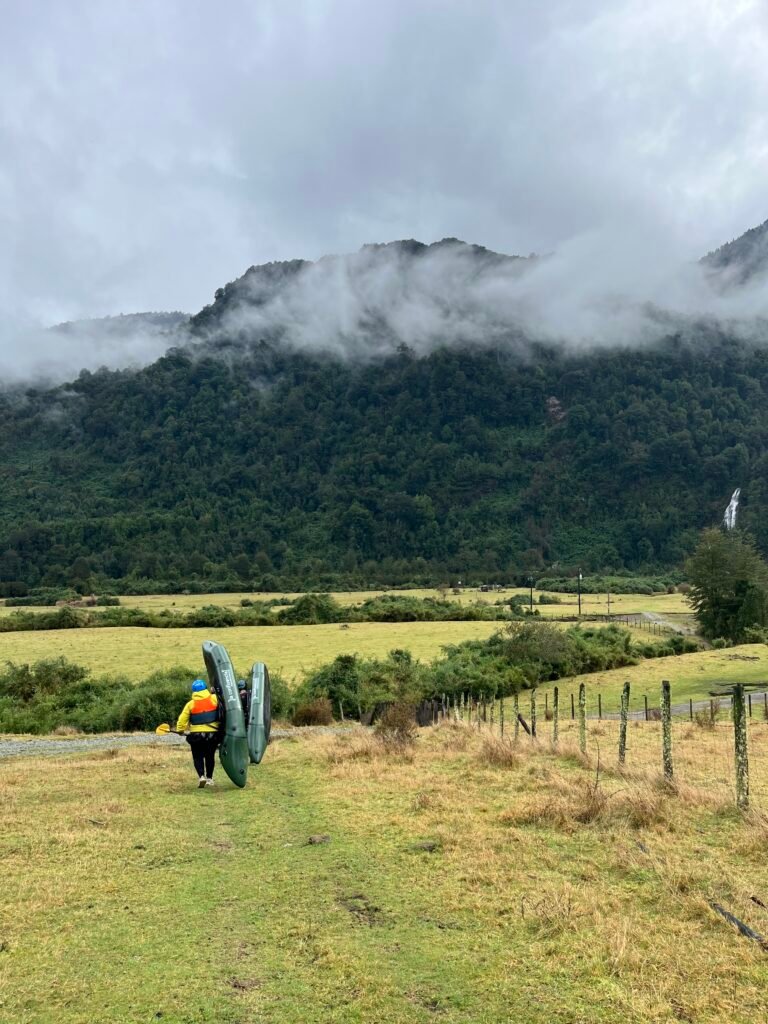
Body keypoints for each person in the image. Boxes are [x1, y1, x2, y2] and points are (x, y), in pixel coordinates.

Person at [176, 679, 221, 788]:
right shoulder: (214, 699)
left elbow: (182, 720)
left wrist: (180, 730)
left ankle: (201, 776)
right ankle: (209, 778)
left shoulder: (190, 704)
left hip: (196, 736)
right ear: (206, 688)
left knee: (197, 756)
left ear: (194, 691)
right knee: (210, 756)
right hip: (212, 735)